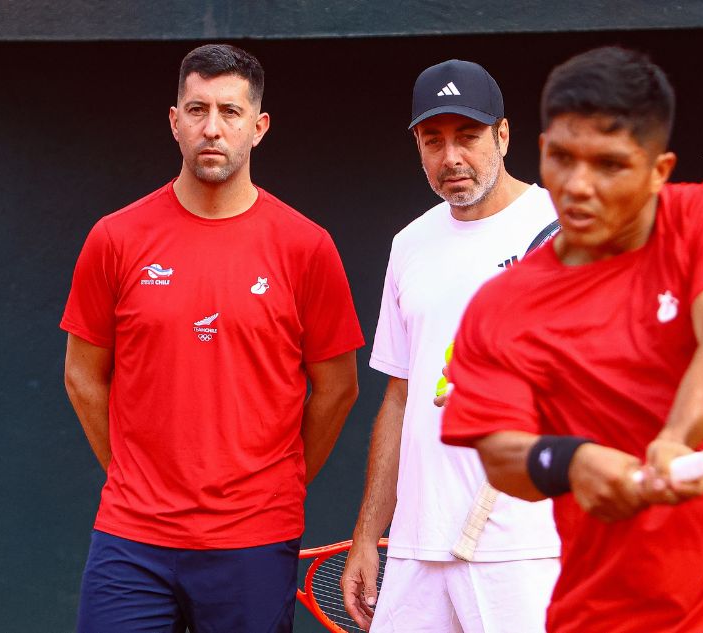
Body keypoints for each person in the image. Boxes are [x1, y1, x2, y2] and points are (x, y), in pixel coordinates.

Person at [441, 46, 703, 633]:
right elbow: (501, 454)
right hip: (604, 617)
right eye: (563, 157)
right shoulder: (502, 307)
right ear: (541, 149)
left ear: (660, 171)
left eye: (609, 165)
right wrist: (571, 462)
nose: (578, 186)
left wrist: (676, 439)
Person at [61, 44, 363, 633]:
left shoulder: (306, 247)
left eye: (230, 111)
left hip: (253, 539)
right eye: (197, 110)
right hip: (132, 537)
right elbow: (81, 375)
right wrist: (129, 472)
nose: (213, 128)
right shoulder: (115, 238)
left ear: (259, 126)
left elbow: (337, 389)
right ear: (175, 122)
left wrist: (278, 485)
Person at [340, 59, 561, 632]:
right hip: (416, 547)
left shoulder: (564, 225)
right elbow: (399, 398)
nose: (451, 158)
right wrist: (370, 536)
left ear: (504, 135)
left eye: (468, 137)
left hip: (525, 547)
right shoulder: (409, 243)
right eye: (433, 141)